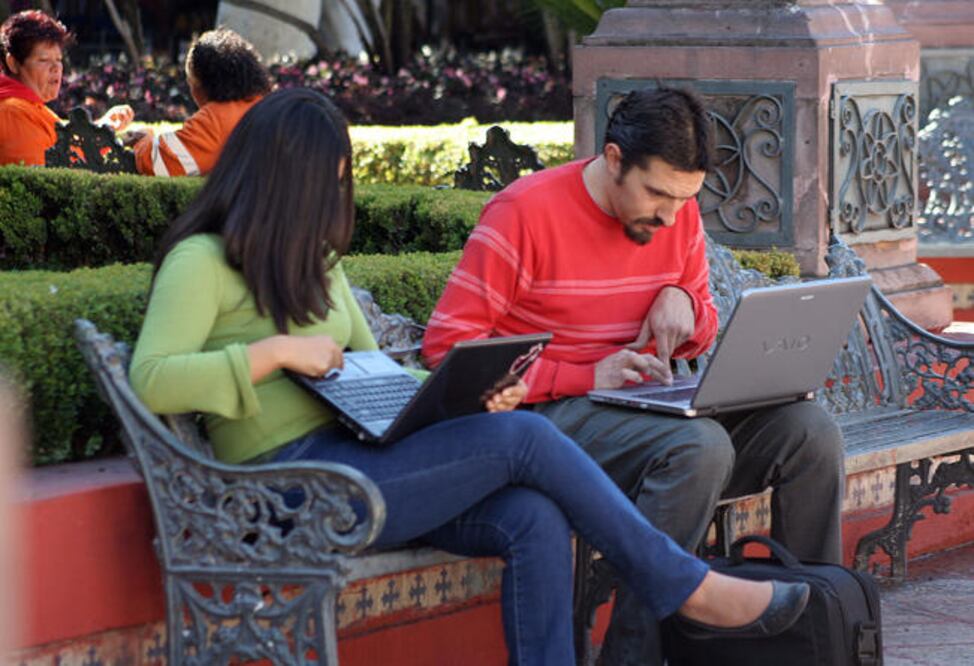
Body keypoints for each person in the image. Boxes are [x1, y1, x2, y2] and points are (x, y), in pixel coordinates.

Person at [129, 87, 809, 665]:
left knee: (531, 515)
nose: (340, 196)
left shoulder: (315, 264)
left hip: (357, 462)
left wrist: (444, 403)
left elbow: (376, 367)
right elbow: (153, 379)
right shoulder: (201, 260)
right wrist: (272, 353)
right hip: (282, 488)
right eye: (331, 180)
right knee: (522, 440)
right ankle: (685, 586)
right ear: (280, 181)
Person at [422, 86, 845, 666]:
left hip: (649, 415)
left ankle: (812, 636)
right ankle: (631, 656)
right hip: (546, 422)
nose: (670, 215)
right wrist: (585, 373)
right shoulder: (524, 212)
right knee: (697, 448)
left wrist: (687, 306)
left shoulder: (677, 213)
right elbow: (448, 350)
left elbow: (701, 327)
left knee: (809, 432)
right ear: (614, 158)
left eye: (684, 198)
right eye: (658, 194)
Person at [130, 28, 270, 177]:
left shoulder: (216, 120)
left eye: (190, 82)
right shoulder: (269, 105)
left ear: (201, 84)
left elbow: (156, 163)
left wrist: (145, 139)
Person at [0, 10, 133, 167]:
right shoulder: (12, 112)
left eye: (59, 59)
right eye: (44, 60)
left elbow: (68, 149)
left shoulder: (30, 107)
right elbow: (56, 176)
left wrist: (103, 129)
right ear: (13, 63)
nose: (56, 68)